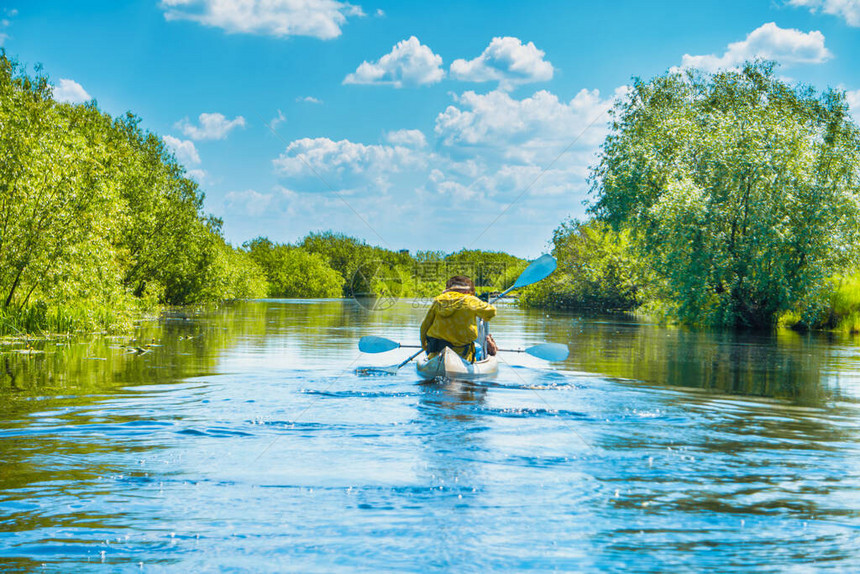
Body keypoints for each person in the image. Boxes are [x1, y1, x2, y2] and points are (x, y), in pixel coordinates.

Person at [420, 275, 498, 363]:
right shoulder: (471, 300)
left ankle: (434, 362)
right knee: (478, 348)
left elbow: (424, 326)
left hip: (437, 352)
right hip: (463, 354)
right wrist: (481, 311)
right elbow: (492, 312)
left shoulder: (438, 300)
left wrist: (424, 345)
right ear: (466, 291)